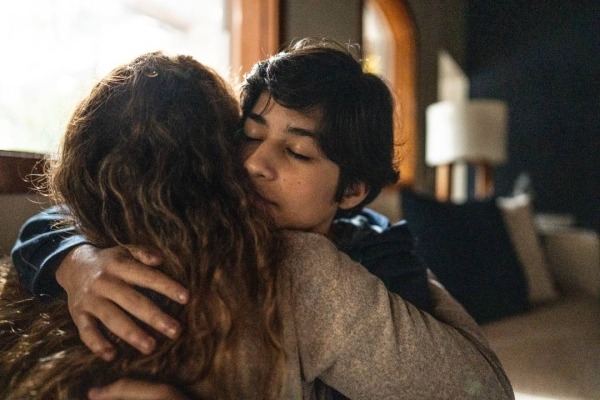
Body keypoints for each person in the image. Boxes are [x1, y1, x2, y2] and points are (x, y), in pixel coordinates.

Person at [0, 51, 513, 399]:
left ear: (352, 191)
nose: (254, 164)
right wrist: (74, 257)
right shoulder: (149, 236)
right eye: (248, 136)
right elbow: (64, 217)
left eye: (295, 152)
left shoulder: (379, 259)